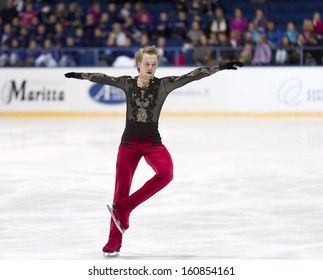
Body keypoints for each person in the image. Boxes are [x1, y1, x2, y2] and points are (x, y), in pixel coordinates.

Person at [64, 45, 243, 255]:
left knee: (166, 174)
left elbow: (192, 76)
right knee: (120, 191)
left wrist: (220, 67)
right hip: (128, 144)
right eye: (146, 64)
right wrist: (78, 75)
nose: (150, 67)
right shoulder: (127, 83)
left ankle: (127, 207)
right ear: (138, 64)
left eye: (154, 64)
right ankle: (114, 240)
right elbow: (102, 77)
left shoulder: (163, 86)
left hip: (152, 143)